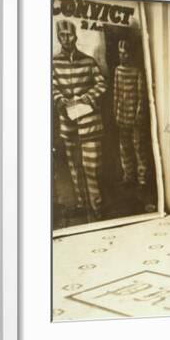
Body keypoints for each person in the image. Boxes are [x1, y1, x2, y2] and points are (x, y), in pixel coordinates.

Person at [52, 20, 107, 220]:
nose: (67, 39)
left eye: (70, 34)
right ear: (59, 37)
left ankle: (97, 207)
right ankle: (82, 205)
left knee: (92, 166)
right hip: (68, 123)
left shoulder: (88, 60)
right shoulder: (53, 63)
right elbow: (52, 86)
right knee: (75, 166)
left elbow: (102, 84)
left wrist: (87, 97)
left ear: (76, 36)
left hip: (90, 122)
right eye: (62, 35)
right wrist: (61, 100)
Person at [113, 39, 150, 190]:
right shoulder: (118, 70)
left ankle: (142, 179)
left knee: (138, 147)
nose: (123, 56)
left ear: (130, 54)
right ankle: (128, 176)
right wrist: (116, 113)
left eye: (125, 54)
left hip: (135, 118)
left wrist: (138, 115)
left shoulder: (137, 71)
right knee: (124, 147)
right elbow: (116, 93)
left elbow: (141, 96)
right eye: (120, 54)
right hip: (122, 117)